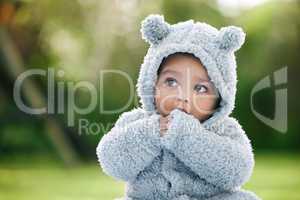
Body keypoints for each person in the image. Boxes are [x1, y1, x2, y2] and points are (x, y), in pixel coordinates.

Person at [96, 14, 260, 200]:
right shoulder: (136, 123)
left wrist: (186, 136)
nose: (183, 97)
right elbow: (112, 161)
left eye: (200, 88)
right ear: (152, 84)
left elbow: (235, 172)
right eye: (171, 82)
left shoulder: (225, 130)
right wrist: (152, 133)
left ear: (220, 98)